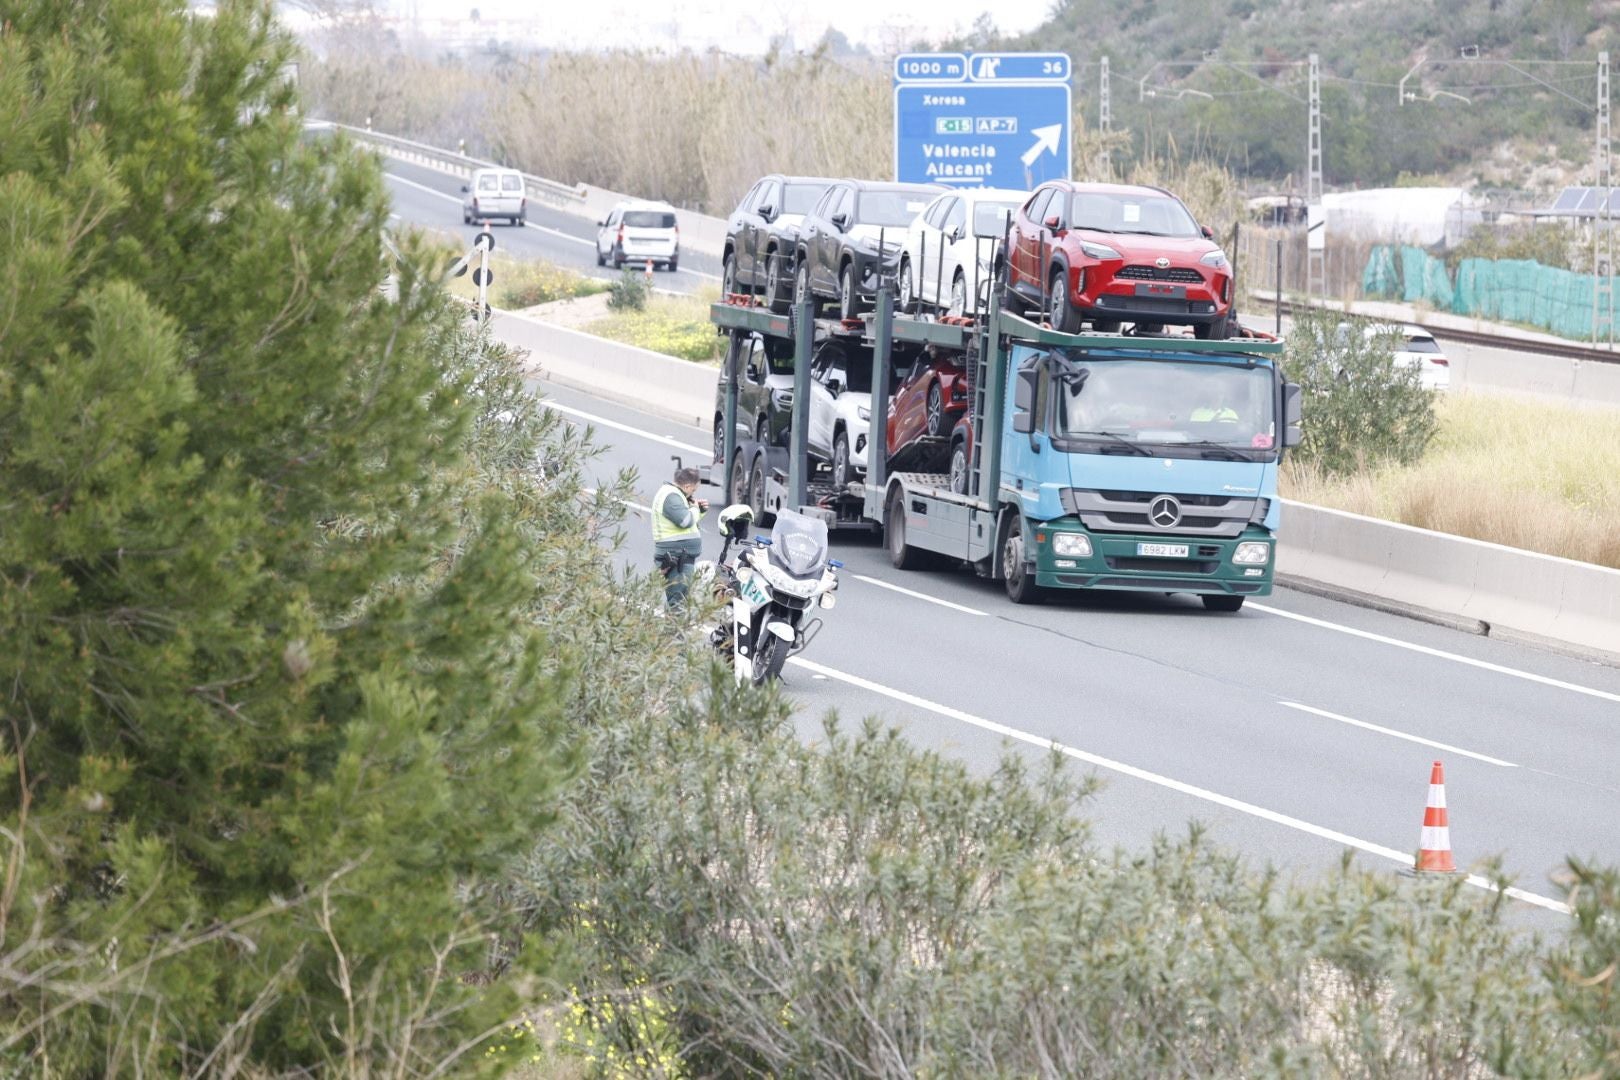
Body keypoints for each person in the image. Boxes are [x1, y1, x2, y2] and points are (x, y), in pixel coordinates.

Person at [652, 467, 708, 608]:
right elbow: (685, 521)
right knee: (678, 602)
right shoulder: (672, 496)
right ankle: (673, 630)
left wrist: (699, 511)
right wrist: (694, 509)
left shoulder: (673, 494)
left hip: (679, 557)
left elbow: (687, 525)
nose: (693, 493)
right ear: (687, 486)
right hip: (677, 559)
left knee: (678, 599)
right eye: (693, 490)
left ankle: (672, 628)